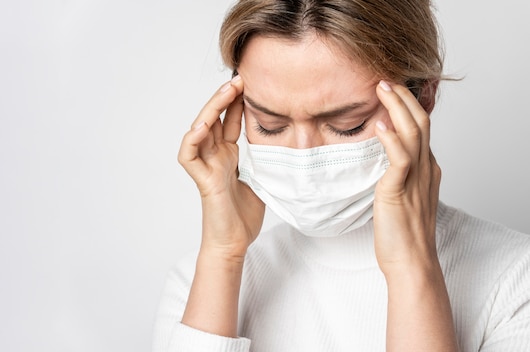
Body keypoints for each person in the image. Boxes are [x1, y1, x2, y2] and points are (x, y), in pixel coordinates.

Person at [153, 0, 530, 351]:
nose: (304, 156)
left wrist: (413, 268)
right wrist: (222, 257)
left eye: (347, 125)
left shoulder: (515, 279)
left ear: (423, 98)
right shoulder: (197, 284)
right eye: (268, 124)